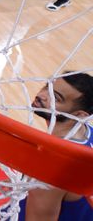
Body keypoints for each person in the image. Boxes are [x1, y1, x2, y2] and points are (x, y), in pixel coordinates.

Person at [17, 72, 93, 220]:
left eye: (56, 98)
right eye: (47, 87)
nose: (42, 95)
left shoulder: (51, 166)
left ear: (78, 114)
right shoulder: (88, 132)